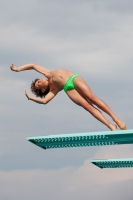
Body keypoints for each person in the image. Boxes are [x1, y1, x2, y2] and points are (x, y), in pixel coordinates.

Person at [10, 63, 126, 131]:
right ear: (43, 89)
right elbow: (45, 101)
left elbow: (33, 65)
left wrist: (17, 69)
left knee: (91, 97)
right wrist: (30, 98)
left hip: (73, 78)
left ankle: (115, 119)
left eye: (38, 81)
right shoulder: (53, 90)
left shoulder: (47, 73)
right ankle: (110, 125)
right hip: (68, 88)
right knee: (87, 106)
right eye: (38, 84)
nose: (39, 81)